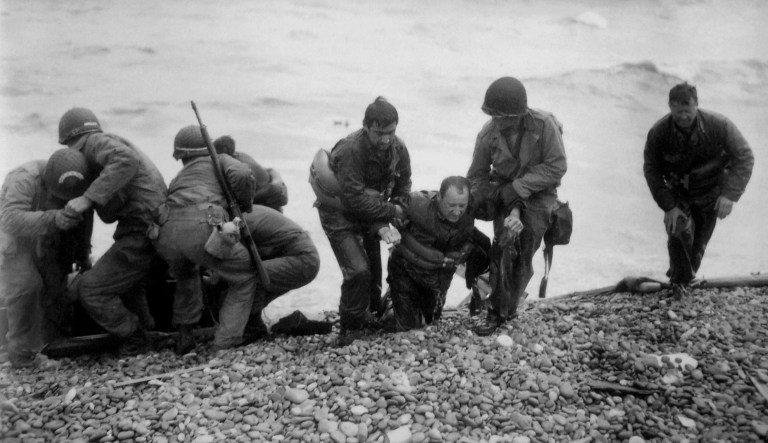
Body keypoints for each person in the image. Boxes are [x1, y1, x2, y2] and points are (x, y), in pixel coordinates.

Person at [153, 125, 319, 353]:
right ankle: (224, 343)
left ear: (181, 156)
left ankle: (185, 337)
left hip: (166, 232)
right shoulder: (218, 160)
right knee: (245, 276)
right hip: (202, 226)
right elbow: (242, 174)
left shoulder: (180, 177)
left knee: (186, 277)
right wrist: (243, 203)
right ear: (208, 147)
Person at [57, 107, 167, 356]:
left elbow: (125, 161)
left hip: (143, 230)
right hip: (146, 227)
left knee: (91, 289)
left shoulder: (95, 143)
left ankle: (134, 336)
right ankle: (148, 331)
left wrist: (86, 199)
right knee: (128, 283)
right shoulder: (106, 145)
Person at [467, 77, 567, 336]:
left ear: (520, 114)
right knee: (503, 244)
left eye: (503, 117)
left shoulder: (544, 126)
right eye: (493, 116)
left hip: (539, 195)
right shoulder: (487, 134)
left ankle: (501, 310)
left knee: (522, 247)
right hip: (503, 190)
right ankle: (491, 290)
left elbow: (557, 167)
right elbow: (476, 176)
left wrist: (519, 190)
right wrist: (481, 200)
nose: (497, 122)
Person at [313, 97, 411, 342]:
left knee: (374, 272)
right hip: (339, 213)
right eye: (380, 133)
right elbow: (355, 200)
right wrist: (391, 213)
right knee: (357, 270)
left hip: (373, 211)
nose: (386, 139)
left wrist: (399, 205)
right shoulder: (350, 150)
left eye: (391, 132)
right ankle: (350, 327)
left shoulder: (398, 148)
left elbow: (404, 182)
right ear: (366, 127)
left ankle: (371, 312)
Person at [643, 82, 754, 297]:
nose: (683, 116)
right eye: (678, 112)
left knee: (698, 246)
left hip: (711, 191)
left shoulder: (719, 125)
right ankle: (679, 283)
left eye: (687, 111)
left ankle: (684, 279)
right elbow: (651, 170)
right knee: (678, 230)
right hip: (679, 192)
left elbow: (745, 157)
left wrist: (730, 195)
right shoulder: (659, 132)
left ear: (697, 105)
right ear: (670, 108)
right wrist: (669, 206)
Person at [0, 149, 93, 368]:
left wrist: (81, 255)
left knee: (55, 285)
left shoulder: (79, 182)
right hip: (12, 236)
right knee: (26, 286)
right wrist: (54, 217)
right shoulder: (24, 179)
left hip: (46, 235)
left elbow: (85, 215)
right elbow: (9, 219)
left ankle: (52, 341)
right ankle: (22, 354)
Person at [385, 176, 488, 332]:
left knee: (429, 321)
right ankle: (390, 301)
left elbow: (497, 204)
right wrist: (390, 227)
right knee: (405, 325)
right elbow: (385, 210)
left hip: (438, 279)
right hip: (406, 270)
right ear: (439, 197)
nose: (457, 211)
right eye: (451, 205)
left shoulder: (470, 211)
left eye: (462, 205)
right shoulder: (417, 202)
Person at [213, 135, 289, 212]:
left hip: (269, 199)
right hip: (272, 191)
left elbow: (245, 197)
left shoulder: (238, 166)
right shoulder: (240, 155)